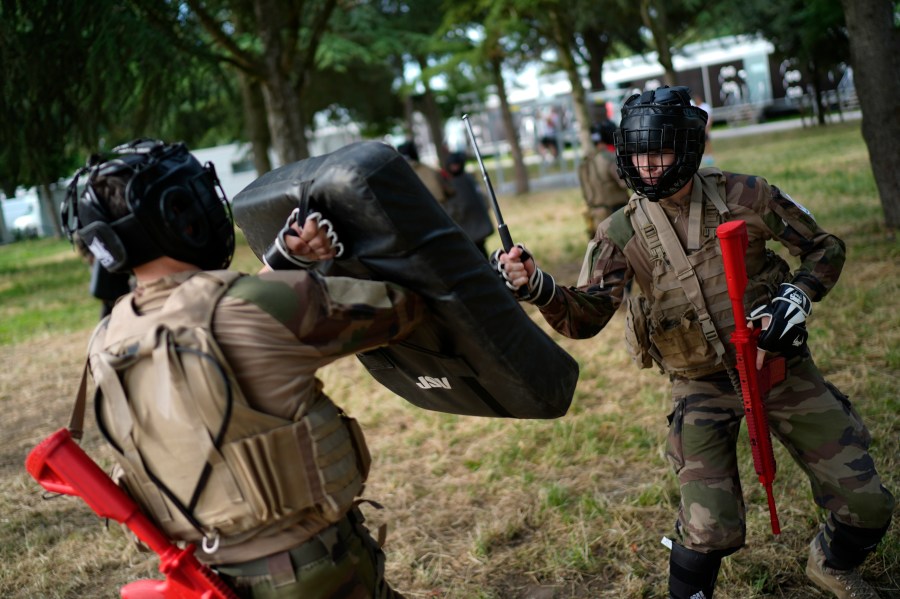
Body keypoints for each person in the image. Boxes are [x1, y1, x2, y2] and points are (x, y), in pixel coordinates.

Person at [494, 87, 894, 599]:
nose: (648, 166)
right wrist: (536, 286)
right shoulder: (618, 232)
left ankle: (833, 563)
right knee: (710, 529)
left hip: (778, 366)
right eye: (638, 154)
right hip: (702, 384)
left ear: (687, 148)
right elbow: (586, 317)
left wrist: (798, 294)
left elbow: (825, 248)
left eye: (659, 152)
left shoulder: (748, 194)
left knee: (867, 504)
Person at [60, 139, 426, 598]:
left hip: (210, 577)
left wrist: (284, 265)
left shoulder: (105, 341)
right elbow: (404, 307)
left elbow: (203, 323)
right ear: (181, 214)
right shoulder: (257, 309)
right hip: (318, 575)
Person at [577, 120, 630, 238]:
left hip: (595, 217)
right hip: (615, 216)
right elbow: (627, 183)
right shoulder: (609, 159)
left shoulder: (585, 162)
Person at [444, 151, 494, 257]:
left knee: (479, 253)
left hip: (471, 227)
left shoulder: (458, 182)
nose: (454, 167)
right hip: (473, 226)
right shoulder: (467, 179)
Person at [396, 140, 455, 209]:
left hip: (422, 208)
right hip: (439, 205)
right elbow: (448, 188)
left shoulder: (401, 173)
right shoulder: (427, 168)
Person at [693, 94, 714, 163]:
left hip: (705, 127)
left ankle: (710, 155)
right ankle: (704, 156)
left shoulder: (705, 106)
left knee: (707, 142)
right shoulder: (695, 107)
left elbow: (710, 117)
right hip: (698, 127)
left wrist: (708, 128)